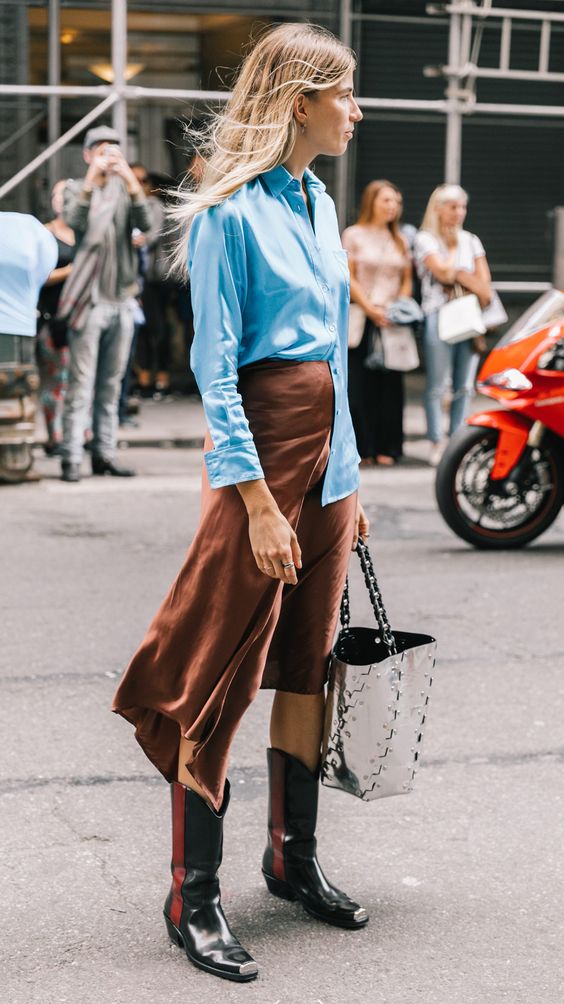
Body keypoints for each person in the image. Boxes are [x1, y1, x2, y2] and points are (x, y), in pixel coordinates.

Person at [112, 22, 368, 984]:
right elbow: (213, 371)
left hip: (329, 464)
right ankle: (195, 892)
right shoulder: (228, 210)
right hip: (263, 460)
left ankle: (291, 860)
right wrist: (255, 498)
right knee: (221, 668)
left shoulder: (316, 201)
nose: (356, 108)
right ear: (298, 100)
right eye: (344, 92)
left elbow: (333, 360)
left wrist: (349, 479)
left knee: (307, 665)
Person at [58, 125, 153, 482]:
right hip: (88, 300)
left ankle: (104, 454)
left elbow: (148, 225)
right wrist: (91, 181)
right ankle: (70, 458)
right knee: (81, 383)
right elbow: (74, 223)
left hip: (122, 299)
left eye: (114, 149)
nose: (108, 156)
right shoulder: (74, 189)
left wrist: (130, 181)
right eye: (100, 150)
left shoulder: (126, 192)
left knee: (111, 384)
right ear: (87, 155)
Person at [415, 184, 493, 466]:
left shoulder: (471, 240)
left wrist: (459, 273)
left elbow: (485, 286)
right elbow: (443, 273)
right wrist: (454, 259)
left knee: (464, 386)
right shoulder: (426, 239)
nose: (459, 213)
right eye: (453, 207)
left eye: (462, 207)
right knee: (438, 384)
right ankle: (437, 441)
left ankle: (457, 440)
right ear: (438, 209)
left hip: (469, 316)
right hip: (439, 315)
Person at [342, 179, 412, 465]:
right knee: (359, 387)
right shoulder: (353, 235)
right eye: (386, 200)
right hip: (362, 317)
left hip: (391, 320)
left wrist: (397, 307)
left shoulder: (401, 239)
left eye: (396, 202)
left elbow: (407, 280)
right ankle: (362, 448)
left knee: (390, 387)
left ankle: (389, 446)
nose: (392, 207)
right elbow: (349, 276)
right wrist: (371, 309)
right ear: (371, 201)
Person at [0, 213, 57, 481]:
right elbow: (45, 269)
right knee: (18, 393)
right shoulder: (29, 228)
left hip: (18, 321)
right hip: (19, 323)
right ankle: (15, 462)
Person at [36, 180, 76, 456]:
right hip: (53, 318)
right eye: (56, 194)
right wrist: (72, 271)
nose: (60, 200)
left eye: (66, 195)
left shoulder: (85, 232)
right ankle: (55, 437)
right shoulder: (44, 234)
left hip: (82, 318)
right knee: (56, 380)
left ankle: (79, 434)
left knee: (81, 382)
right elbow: (37, 277)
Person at [131, 166, 175, 397]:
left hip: (155, 278)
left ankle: (160, 378)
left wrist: (135, 240)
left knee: (157, 328)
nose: (138, 184)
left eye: (142, 180)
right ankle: (145, 377)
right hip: (139, 278)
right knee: (144, 329)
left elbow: (150, 237)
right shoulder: (126, 204)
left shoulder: (155, 206)